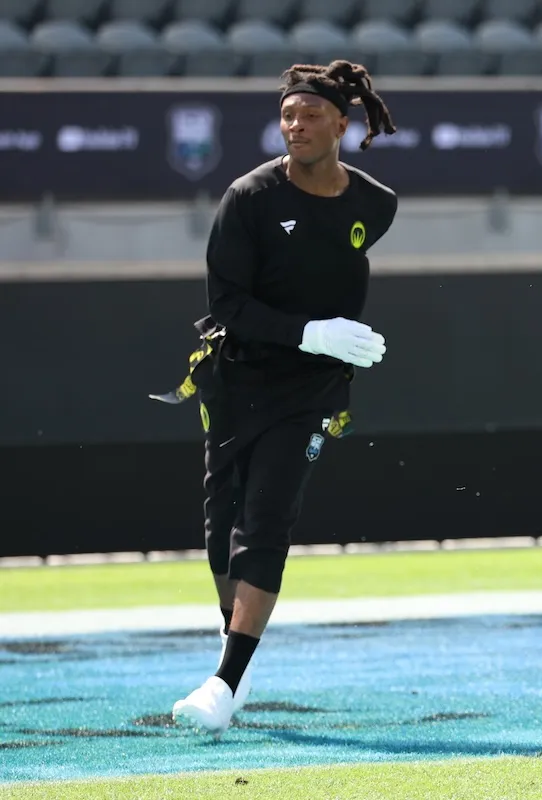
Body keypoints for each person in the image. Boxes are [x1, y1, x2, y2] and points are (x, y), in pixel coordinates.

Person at [170, 60, 400, 736]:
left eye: (308, 115)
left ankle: (226, 680)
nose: (294, 126)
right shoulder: (248, 198)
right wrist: (311, 329)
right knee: (223, 538)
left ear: (341, 122)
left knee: (267, 517)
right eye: (287, 116)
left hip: (312, 391)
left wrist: (331, 343)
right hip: (239, 380)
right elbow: (225, 305)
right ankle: (232, 657)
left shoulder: (375, 204)